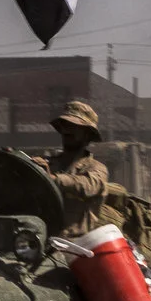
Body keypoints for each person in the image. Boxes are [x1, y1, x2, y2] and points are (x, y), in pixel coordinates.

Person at [36, 99, 113, 236]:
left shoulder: (97, 168)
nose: (67, 130)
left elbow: (87, 185)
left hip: (77, 246)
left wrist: (52, 179)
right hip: (40, 240)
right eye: (65, 125)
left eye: (74, 126)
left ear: (87, 134)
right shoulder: (48, 163)